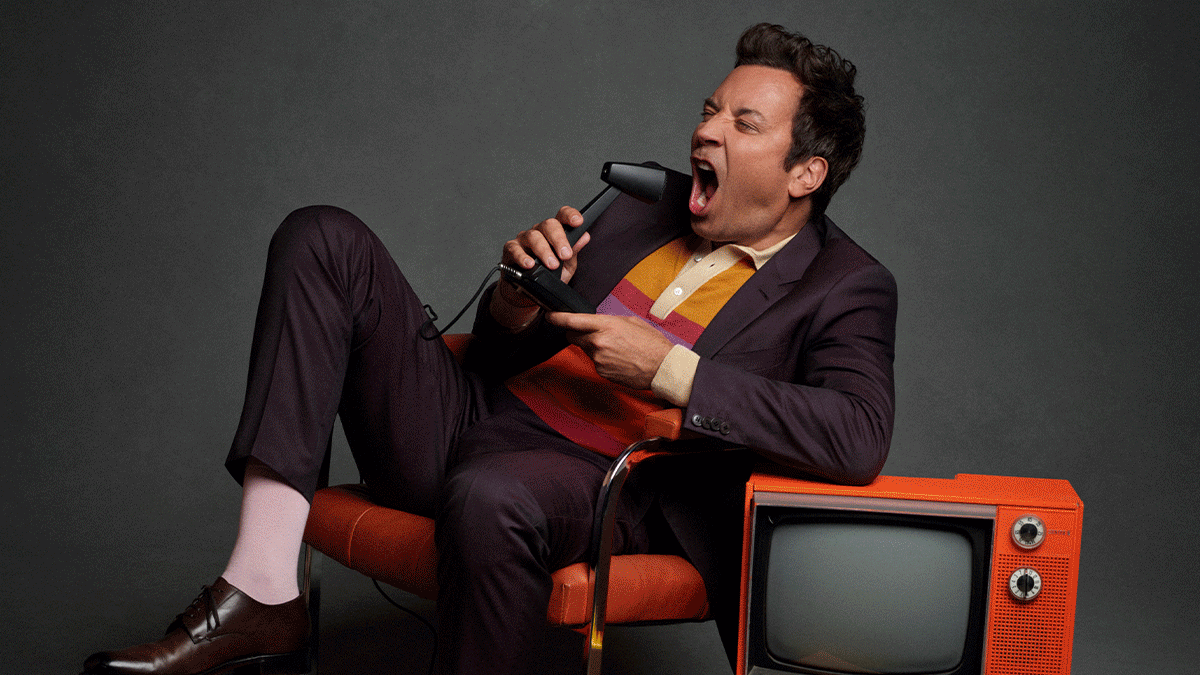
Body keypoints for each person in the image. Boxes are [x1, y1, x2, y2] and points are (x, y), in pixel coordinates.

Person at [82, 22, 896, 675]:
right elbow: (507, 351)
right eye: (710, 108)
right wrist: (514, 295)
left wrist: (669, 371)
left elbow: (857, 433)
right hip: (472, 418)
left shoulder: (847, 283)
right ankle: (262, 587)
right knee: (322, 236)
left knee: (492, 493)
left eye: (741, 122)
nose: (705, 129)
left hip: (604, 483)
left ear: (805, 173)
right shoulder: (641, 208)